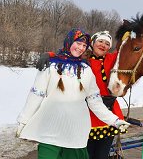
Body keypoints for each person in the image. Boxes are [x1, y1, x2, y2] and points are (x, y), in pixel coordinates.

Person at [16, 28, 129, 159]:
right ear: (69, 42)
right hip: (50, 129)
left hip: (75, 133)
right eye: (78, 43)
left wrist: (115, 121)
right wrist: (23, 121)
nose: (80, 48)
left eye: (83, 45)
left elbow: (95, 102)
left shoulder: (86, 70)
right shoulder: (50, 66)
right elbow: (36, 95)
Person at [86, 31, 126, 159]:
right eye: (100, 41)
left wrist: (127, 33)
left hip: (108, 112)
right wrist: (49, 54)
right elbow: (65, 55)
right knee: (86, 154)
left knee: (102, 155)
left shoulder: (112, 59)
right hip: (87, 114)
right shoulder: (82, 58)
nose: (103, 45)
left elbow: (126, 50)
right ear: (93, 43)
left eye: (107, 43)